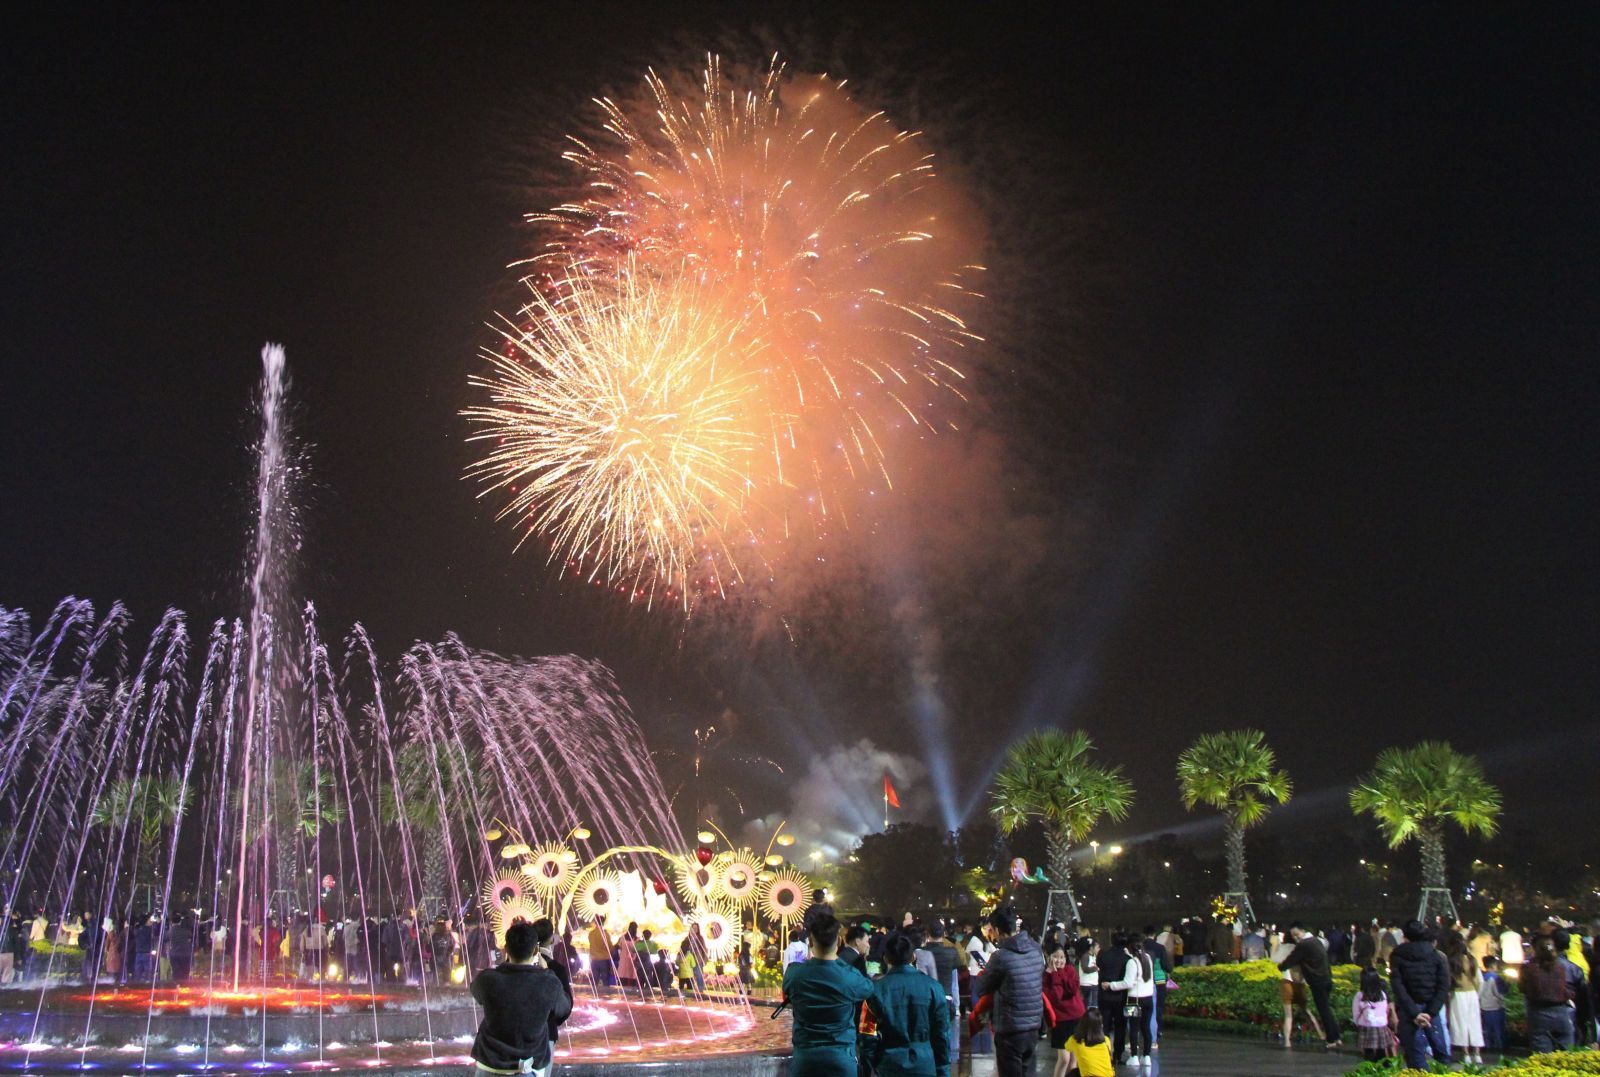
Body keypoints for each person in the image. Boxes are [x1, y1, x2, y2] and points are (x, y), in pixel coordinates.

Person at [469, 919, 572, 1077]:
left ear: (506, 949)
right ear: (535, 951)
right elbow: (563, 1009)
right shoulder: (548, 983)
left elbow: (476, 992)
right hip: (525, 1066)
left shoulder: (487, 979)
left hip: (489, 1065)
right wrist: (547, 971)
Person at [782, 913, 876, 1077]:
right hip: (840, 1059)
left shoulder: (794, 974)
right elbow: (869, 989)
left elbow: (787, 990)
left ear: (811, 941)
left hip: (805, 1060)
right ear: (838, 941)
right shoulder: (849, 977)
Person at [971, 906, 1044, 1077]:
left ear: (997, 930)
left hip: (1010, 1029)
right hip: (1033, 1026)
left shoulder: (1000, 957)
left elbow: (981, 987)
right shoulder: (1035, 949)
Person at [866, 934, 951, 1077]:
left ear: (886, 959)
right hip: (925, 1064)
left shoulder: (875, 990)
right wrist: (943, 1069)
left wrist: (874, 1062)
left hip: (889, 1064)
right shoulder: (933, 988)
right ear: (913, 957)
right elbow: (942, 1033)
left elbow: (867, 1034)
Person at [1391, 920, 1451, 1067]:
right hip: (1431, 1008)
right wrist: (1430, 1012)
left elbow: (1398, 986)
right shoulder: (1436, 955)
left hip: (1409, 1010)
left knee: (1414, 1053)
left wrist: (1415, 1013)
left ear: (1405, 936)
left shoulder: (1397, 955)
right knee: (1441, 1052)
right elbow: (1443, 986)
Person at [1277, 922, 1340, 1050]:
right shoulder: (1316, 941)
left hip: (1318, 981)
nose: (1295, 938)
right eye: (1293, 936)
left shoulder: (1304, 945)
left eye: (1296, 934)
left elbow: (1291, 960)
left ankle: (1331, 1040)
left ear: (1302, 931)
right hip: (1327, 979)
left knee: (1324, 1011)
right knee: (1327, 1010)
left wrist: (1281, 967)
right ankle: (1336, 1037)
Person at [1105, 932, 1154, 1067]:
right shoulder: (1148, 958)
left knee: (1134, 1028)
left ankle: (1134, 1056)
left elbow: (1127, 983)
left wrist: (1111, 985)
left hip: (1134, 1000)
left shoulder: (1131, 962)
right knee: (1146, 1028)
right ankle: (1147, 1056)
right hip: (1148, 999)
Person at [1522, 933, 1575, 1052]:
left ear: (1535, 949)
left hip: (1538, 1014)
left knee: (1543, 1056)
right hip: (1561, 1014)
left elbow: (1522, 988)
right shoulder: (1560, 967)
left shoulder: (1529, 968)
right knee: (1566, 1055)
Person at [1042, 945, 1085, 1077]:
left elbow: (1073, 988)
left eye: (1062, 957)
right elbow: (1056, 997)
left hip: (1077, 1017)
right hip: (1061, 1021)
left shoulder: (1070, 970)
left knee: (1074, 1059)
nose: (1059, 960)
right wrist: (1055, 974)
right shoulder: (1045, 976)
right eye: (1055, 957)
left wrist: (1058, 974)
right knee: (1064, 1059)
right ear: (1048, 957)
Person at [1446, 937, 1484, 1064]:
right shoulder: (1472, 960)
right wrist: (1477, 994)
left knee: (1460, 1023)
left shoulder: (1451, 961)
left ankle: (1466, 1054)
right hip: (1472, 994)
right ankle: (1477, 1054)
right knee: (1475, 1023)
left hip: (1457, 994)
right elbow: (1480, 981)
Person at [1351, 968, 1392, 1061]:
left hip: (1366, 1027)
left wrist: (1357, 1022)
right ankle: (1384, 1067)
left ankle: (1370, 1067)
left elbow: (1356, 1012)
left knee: (1368, 1052)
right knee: (1381, 1051)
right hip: (1381, 1026)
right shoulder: (1382, 994)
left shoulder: (1360, 995)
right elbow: (1385, 1010)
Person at [1058, 1011, 1114, 1077]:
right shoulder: (1106, 1040)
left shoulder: (1075, 1040)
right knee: (1076, 1072)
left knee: (1072, 1074)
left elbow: (1067, 1047)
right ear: (1101, 1026)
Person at [1478, 955, 1506, 1054]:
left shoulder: (1482, 977)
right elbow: (1499, 993)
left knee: (1487, 1029)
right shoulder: (1496, 978)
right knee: (1498, 1029)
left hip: (1484, 1007)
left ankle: (1487, 1046)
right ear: (1494, 965)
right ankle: (1500, 1047)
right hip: (1496, 1007)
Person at [586, 916, 613, 996]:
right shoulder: (605, 934)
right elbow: (610, 947)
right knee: (605, 981)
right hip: (604, 959)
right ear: (603, 923)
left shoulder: (591, 934)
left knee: (594, 981)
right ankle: (606, 996)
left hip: (594, 960)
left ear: (595, 922)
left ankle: (593, 997)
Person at [1072, 937, 1099, 1012]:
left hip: (1093, 984)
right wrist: (1096, 968)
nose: (1098, 949)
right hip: (1088, 985)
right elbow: (1085, 969)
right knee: (1089, 1006)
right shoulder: (1085, 956)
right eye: (1097, 947)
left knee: (1093, 1006)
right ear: (1091, 948)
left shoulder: (1092, 956)